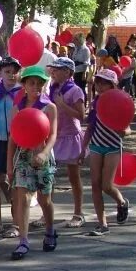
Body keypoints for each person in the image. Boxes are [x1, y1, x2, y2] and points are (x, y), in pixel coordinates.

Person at [7, 66, 59, 259]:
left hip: (42, 156)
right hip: (23, 157)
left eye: (39, 82)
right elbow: (12, 138)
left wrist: (45, 153)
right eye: (31, 82)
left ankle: (50, 230)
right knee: (24, 199)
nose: (35, 86)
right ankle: (23, 240)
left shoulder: (49, 107)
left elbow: (53, 135)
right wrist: (8, 165)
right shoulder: (17, 108)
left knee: (45, 199)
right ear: (24, 85)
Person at [81, 69, 131, 236]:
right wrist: (83, 148)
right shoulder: (96, 103)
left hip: (113, 147)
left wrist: (122, 130)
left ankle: (122, 202)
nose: (100, 86)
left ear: (113, 85)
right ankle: (102, 224)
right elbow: (90, 127)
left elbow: (127, 129)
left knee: (106, 185)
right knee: (95, 184)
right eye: (98, 83)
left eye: (104, 83)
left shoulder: (120, 102)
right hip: (96, 145)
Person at [49, 58, 87, 228]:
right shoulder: (51, 88)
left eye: (58, 69)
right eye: (53, 69)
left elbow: (81, 115)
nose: (54, 72)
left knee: (74, 177)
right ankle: (46, 213)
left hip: (71, 137)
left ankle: (79, 213)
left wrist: (62, 104)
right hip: (54, 137)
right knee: (47, 177)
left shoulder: (75, 90)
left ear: (68, 72)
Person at [0, 57, 21, 239]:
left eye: (15, 71)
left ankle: (16, 223)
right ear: (0, 73)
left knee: (15, 184)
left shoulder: (23, 95)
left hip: (17, 143)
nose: (11, 75)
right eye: (7, 71)